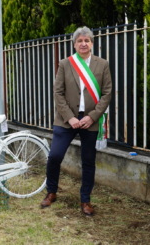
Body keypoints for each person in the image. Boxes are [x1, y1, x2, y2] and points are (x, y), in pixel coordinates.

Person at [40, 26, 112, 216]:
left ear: (92, 43)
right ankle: (51, 191)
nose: (83, 43)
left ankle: (85, 200)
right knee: (55, 156)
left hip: (90, 120)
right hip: (66, 120)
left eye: (86, 40)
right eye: (79, 41)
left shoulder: (102, 64)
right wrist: (70, 117)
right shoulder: (65, 64)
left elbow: (107, 93)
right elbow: (58, 93)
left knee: (88, 161)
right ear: (74, 44)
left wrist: (92, 116)